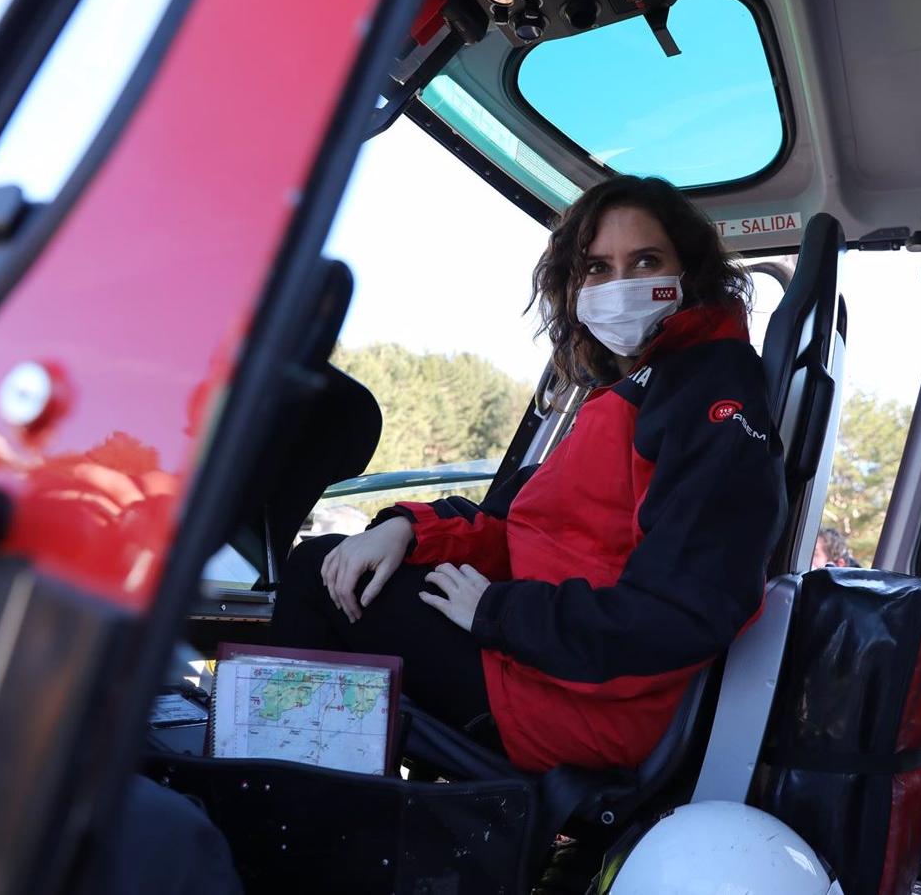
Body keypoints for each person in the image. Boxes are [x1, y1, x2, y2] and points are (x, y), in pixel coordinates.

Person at [270, 175, 785, 772]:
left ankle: (284, 811)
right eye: (596, 267)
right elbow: (521, 529)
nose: (619, 285)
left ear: (688, 276)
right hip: (546, 662)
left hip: (581, 702)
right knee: (339, 559)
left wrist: (497, 614)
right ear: (573, 286)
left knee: (315, 575)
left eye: (646, 261)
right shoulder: (636, 390)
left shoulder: (709, 395)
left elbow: (681, 613)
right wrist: (406, 531)